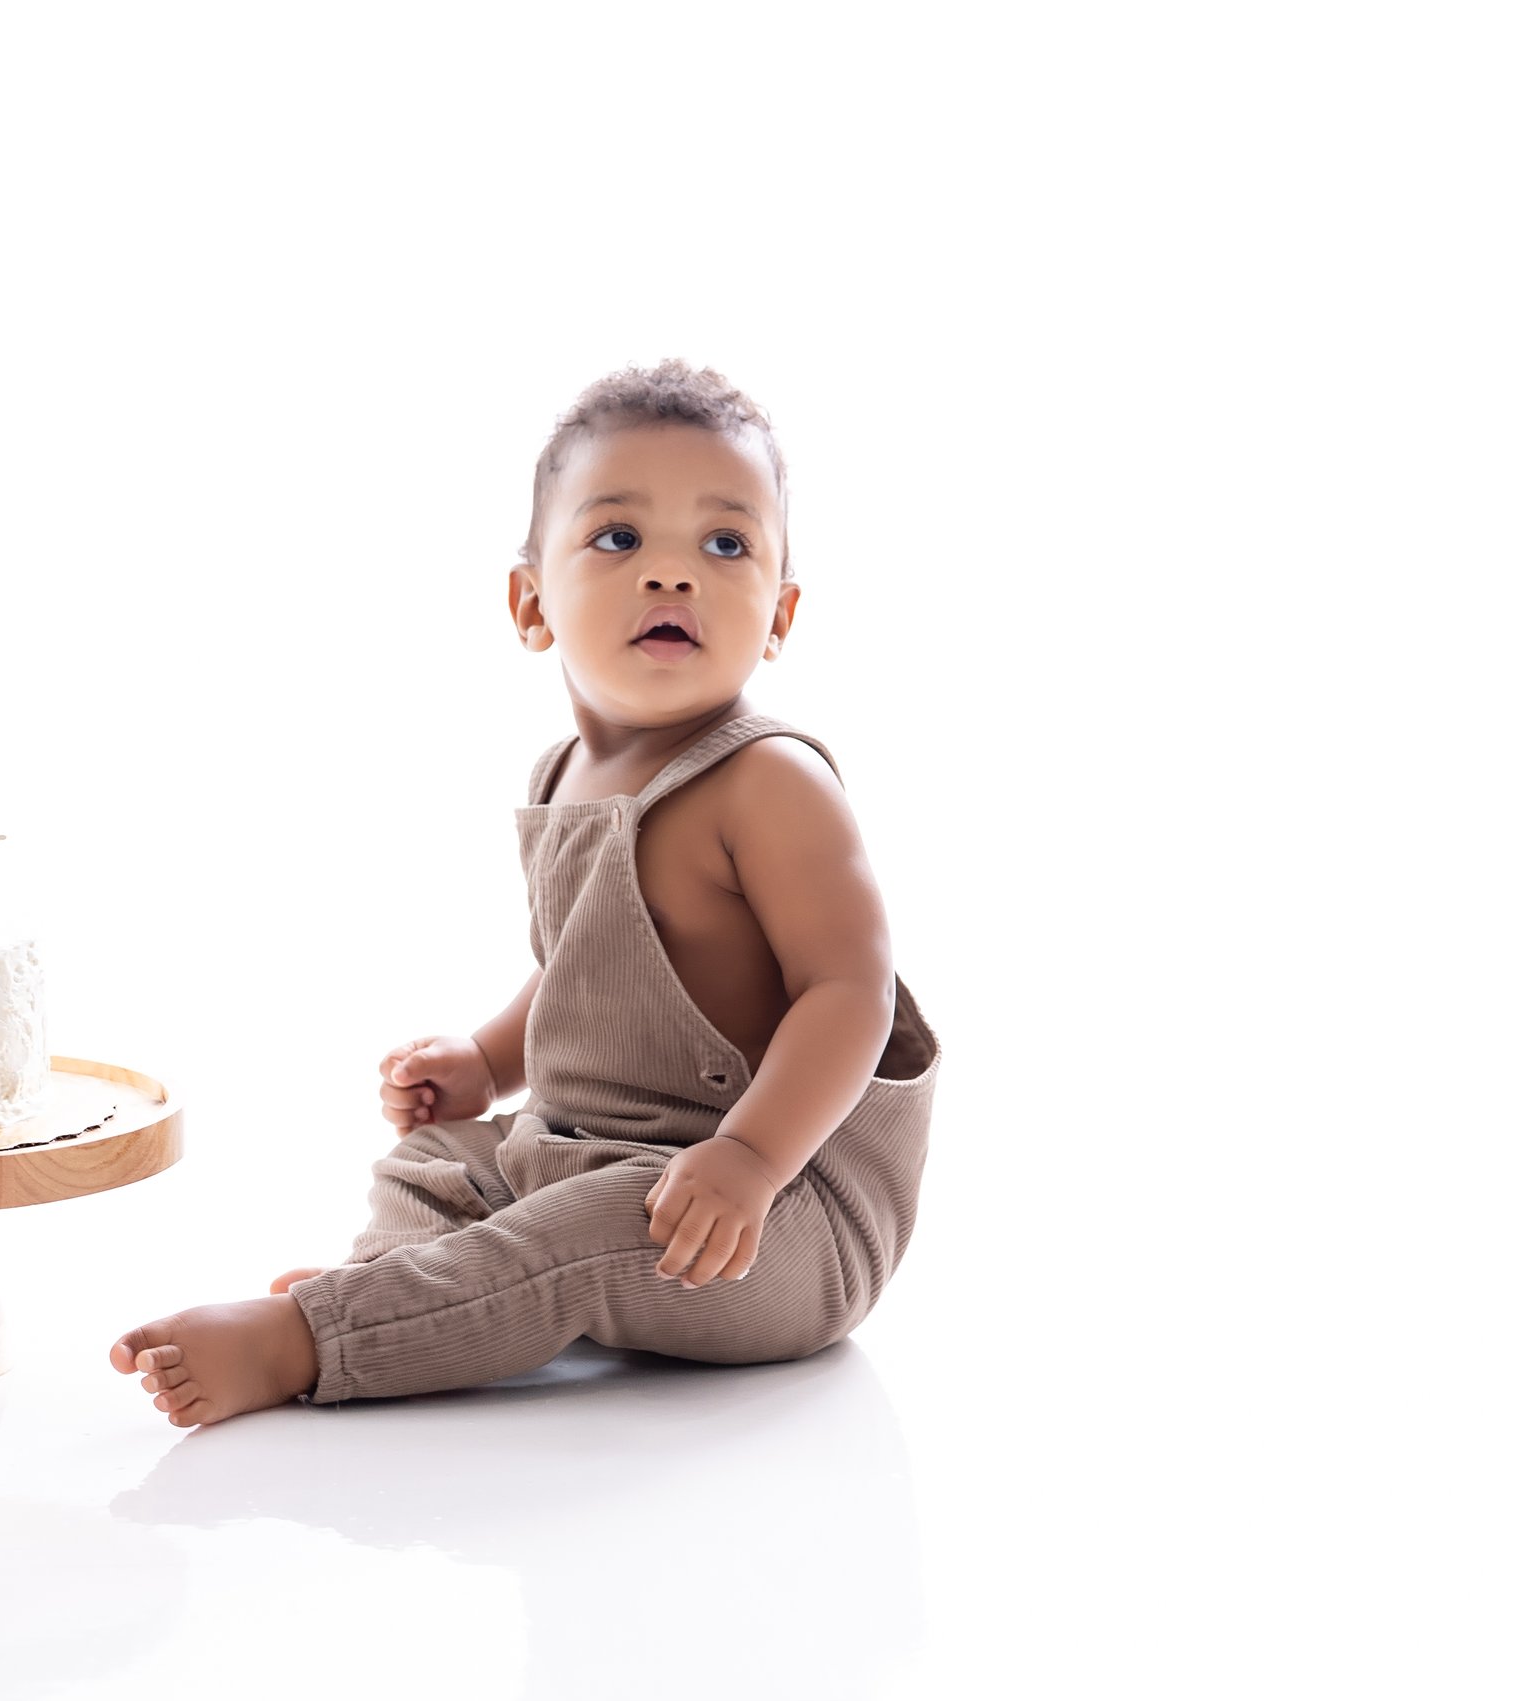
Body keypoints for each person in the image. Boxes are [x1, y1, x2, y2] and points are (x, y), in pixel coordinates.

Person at [109, 358, 942, 1426]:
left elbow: (849, 993)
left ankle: (319, 1338)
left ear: (778, 614)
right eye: (618, 537)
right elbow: (583, 964)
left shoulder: (770, 779)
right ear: (528, 599)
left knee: (590, 1230)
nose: (670, 574)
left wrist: (748, 1155)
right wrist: (487, 1059)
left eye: (724, 544)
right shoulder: (563, 773)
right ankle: (399, 1297)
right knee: (430, 1165)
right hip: (594, 1151)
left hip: (770, 1214)